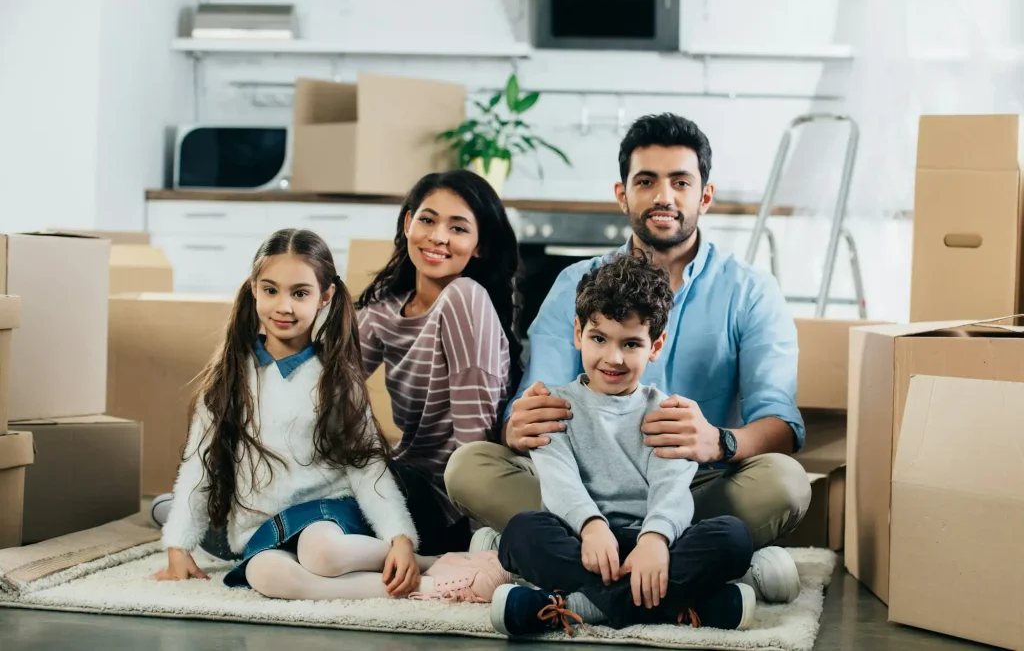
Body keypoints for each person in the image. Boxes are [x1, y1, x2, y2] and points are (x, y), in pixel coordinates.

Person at [446, 113, 811, 601]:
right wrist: (519, 423)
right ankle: (700, 571)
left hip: (693, 485)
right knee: (468, 467)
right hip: (578, 485)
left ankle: (557, 565)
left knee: (786, 483)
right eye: (647, 181)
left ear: (704, 196)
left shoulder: (751, 291)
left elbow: (781, 424)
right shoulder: (574, 284)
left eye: (680, 182)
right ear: (623, 194)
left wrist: (717, 441)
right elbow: (533, 407)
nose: (664, 196)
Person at [153, 228, 512, 604]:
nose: (284, 306)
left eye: (300, 293)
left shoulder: (336, 380)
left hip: (327, 513)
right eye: (270, 290)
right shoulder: (228, 379)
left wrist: (400, 539)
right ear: (253, 289)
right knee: (265, 574)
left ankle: (424, 560)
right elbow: (199, 464)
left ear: (325, 297)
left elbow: (368, 467)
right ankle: (433, 585)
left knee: (322, 553)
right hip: (260, 526)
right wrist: (178, 546)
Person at [490, 253, 763, 636]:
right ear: (577, 333)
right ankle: (687, 605)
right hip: (579, 539)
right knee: (522, 532)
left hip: (653, 546)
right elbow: (558, 481)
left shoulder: (666, 413)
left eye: (631, 344)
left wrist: (655, 539)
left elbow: (672, 490)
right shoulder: (555, 406)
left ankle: (580, 605)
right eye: (598, 338)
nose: (613, 358)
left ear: (655, 345)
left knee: (732, 538)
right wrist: (590, 525)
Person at [355, 169, 524, 556]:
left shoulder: (467, 298)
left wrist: (481, 540)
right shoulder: (384, 309)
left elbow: (474, 447)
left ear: (479, 246)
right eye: (427, 220)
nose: (438, 237)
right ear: (408, 223)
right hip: (405, 481)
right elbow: (326, 388)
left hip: (457, 503)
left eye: (459, 228)